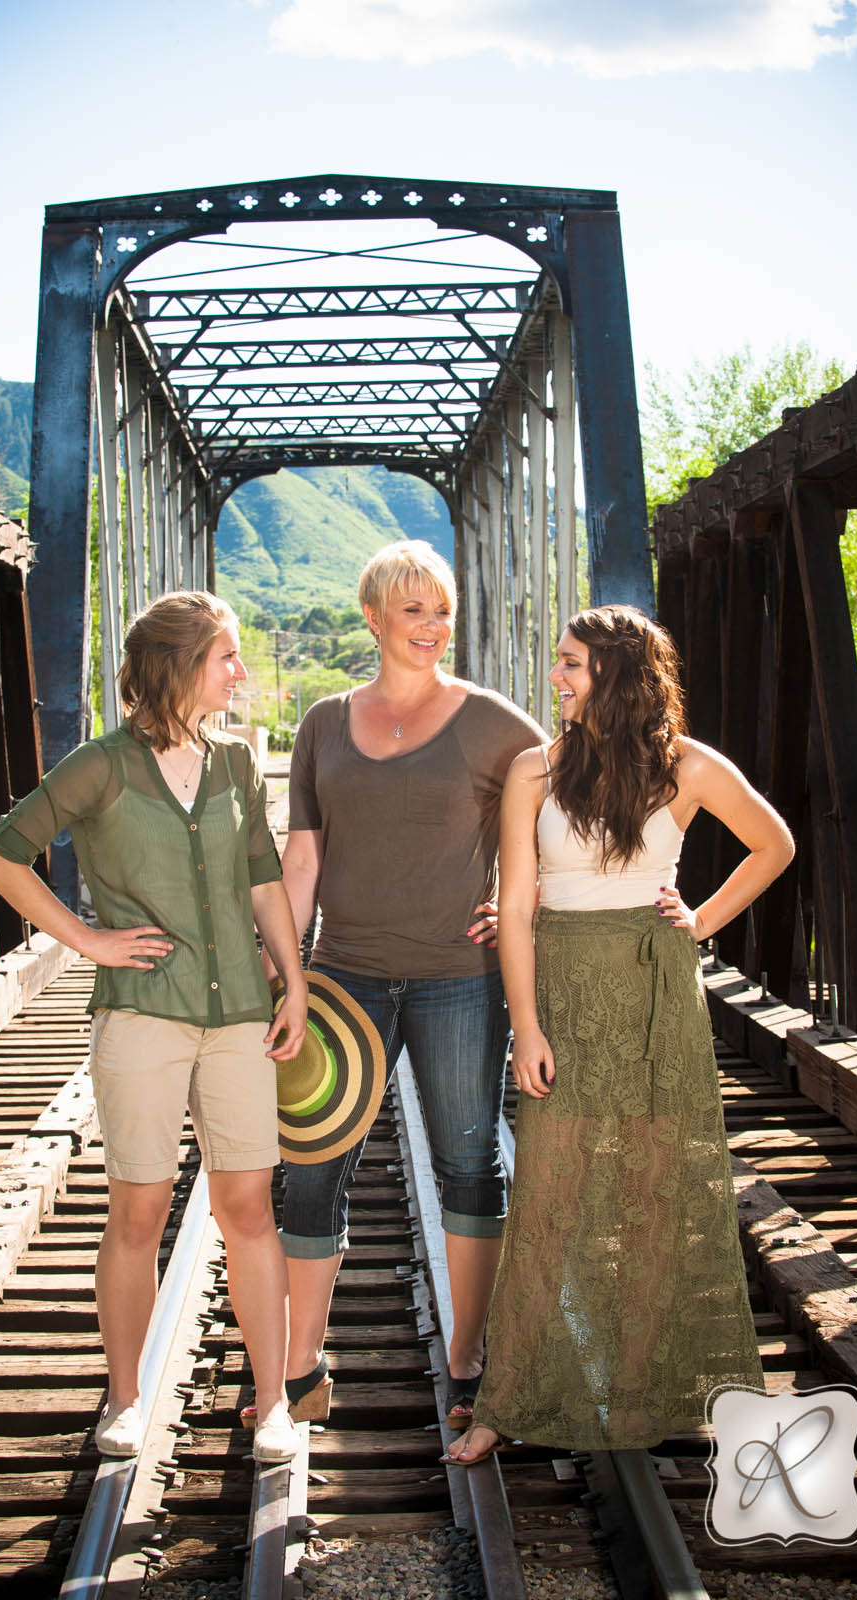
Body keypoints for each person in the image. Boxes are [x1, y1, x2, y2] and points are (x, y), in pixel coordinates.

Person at [446, 603, 795, 1465]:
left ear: (613, 673)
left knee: (653, 1194)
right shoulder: (536, 768)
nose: (557, 676)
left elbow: (774, 843)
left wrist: (698, 921)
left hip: (653, 992)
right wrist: (525, 1027)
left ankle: (640, 1394)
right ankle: (509, 1399)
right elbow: (518, 905)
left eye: (570, 663)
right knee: (550, 1199)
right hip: (561, 987)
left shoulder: (690, 766)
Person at [0, 590, 308, 1465]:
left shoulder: (235, 763)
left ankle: (271, 1403)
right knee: (139, 1207)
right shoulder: (101, 766)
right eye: (227, 656)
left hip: (238, 1010)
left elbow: (262, 878)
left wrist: (295, 981)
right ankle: (123, 1401)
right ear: (178, 666)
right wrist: (85, 938)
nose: (241, 671)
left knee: (247, 1206)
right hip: (141, 1016)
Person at [248, 540, 546, 1431]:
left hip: (461, 978)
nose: (431, 626)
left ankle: (466, 1356)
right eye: (412, 609)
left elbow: (570, 817)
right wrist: (285, 969)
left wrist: (527, 904)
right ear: (372, 616)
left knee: (467, 1163)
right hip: (345, 978)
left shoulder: (495, 723)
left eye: (442, 609)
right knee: (311, 1167)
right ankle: (302, 1360)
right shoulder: (323, 724)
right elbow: (302, 856)